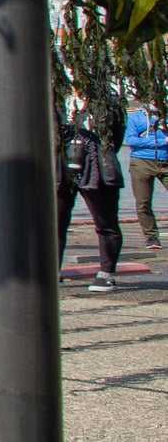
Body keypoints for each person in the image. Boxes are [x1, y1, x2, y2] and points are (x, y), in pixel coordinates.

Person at [59, 94, 125, 294]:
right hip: (63, 161)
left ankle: (106, 273)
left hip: (98, 163)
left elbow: (116, 136)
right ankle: (52, 269)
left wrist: (98, 150)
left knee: (105, 221)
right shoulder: (57, 96)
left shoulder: (109, 100)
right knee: (55, 220)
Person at [123, 96, 165, 250]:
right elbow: (131, 140)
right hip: (141, 162)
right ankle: (151, 236)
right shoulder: (135, 117)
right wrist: (162, 142)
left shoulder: (165, 115)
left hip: (165, 160)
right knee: (143, 202)